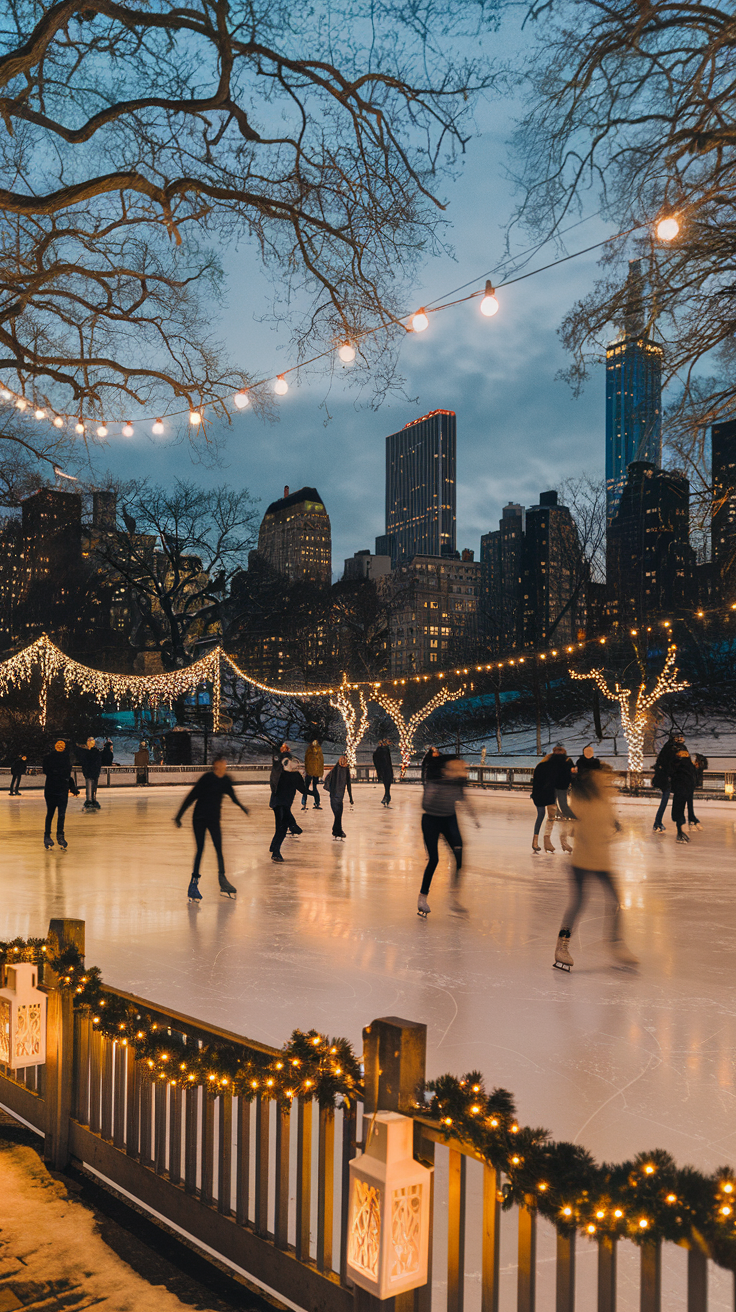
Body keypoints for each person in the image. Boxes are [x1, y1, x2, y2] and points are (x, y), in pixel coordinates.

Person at [553, 767, 637, 971]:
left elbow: (608, 816)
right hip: (582, 861)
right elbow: (565, 817)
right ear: (592, 782)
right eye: (601, 779)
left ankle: (616, 943)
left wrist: (616, 825)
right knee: (578, 904)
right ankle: (561, 946)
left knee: (616, 902)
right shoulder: (580, 801)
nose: (607, 782)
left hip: (602, 861)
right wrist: (566, 834)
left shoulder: (604, 798)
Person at [174, 755, 249, 900]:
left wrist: (242, 807)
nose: (223, 766)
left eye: (225, 764)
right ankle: (193, 884)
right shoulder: (207, 778)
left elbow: (233, 797)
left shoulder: (226, 781)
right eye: (221, 764)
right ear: (216, 765)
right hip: (199, 819)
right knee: (200, 849)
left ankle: (223, 881)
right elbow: (191, 796)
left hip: (214, 819)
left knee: (219, 849)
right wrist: (179, 816)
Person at [417, 756, 479, 918]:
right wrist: (438, 793)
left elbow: (464, 799)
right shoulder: (436, 782)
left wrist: (474, 816)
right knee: (434, 859)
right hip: (431, 820)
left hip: (449, 819)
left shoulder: (457, 783)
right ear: (446, 770)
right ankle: (422, 897)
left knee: (459, 855)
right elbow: (425, 804)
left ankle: (454, 897)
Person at [42, 740, 79, 850]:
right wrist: (58, 774)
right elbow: (47, 771)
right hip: (51, 789)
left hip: (62, 790)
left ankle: (60, 836)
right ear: (54, 746)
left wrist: (72, 787)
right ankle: (47, 835)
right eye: (58, 744)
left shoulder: (67, 758)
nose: (60, 746)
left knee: (61, 815)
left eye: (62, 745)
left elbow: (67, 775)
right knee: (50, 813)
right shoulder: (48, 758)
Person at [270, 757, 307, 862]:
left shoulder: (278, 773)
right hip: (282, 804)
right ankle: (275, 851)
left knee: (280, 827)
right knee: (282, 828)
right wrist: (313, 793)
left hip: (278, 804)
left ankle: (274, 848)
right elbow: (302, 789)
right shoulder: (294, 775)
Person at [651, 732, 684, 832]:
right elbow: (669, 764)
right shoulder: (670, 749)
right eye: (678, 738)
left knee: (665, 800)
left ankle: (658, 822)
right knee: (664, 800)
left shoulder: (669, 747)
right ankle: (657, 822)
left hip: (665, 778)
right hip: (665, 779)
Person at [549, 744, 576, 850]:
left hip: (554, 785)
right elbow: (572, 772)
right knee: (562, 803)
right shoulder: (567, 760)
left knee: (554, 802)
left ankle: (559, 813)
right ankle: (570, 815)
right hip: (562, 785)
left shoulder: (551, 760)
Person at [271, 743, 302, 835]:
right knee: (285, 808)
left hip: (280, 787)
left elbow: (276, 773)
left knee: (283, 808)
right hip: (285, 788)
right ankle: (292, 826)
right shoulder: (287, 759)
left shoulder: (280, 759)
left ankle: (291, 826)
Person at [531, 753, 558, 853]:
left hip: (539, 795)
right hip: (545, 795)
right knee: (548, 816)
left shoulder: (540, 766)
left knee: (541, 815)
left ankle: (535, 841)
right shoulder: (550, 769)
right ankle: (544, 841)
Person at [671, 748, 699, 841]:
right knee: (681, 811)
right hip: (687, 790)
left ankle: (680, 832)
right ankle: (681, 832)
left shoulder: (678, 765)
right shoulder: (689, 766)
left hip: (680, 790)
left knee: (678, 811)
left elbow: (673, 776)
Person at [323, 755, 353, 838]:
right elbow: (348, 784)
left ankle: (337, 830)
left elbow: (327, 780)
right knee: (338, 815)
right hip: (338, 796)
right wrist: (350, 797)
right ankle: (337, 830)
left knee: (338, 815)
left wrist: (330, 790)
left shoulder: (336, 770)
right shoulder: (343, 770)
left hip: (335, 796)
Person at [77, 736, 102, 809]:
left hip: (89, 772)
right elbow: (98, 763)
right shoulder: (97, 753)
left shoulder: (86, 753)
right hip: (94, 772)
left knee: (90, 786)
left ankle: (90, 800)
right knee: (93, 786)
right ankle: (92, 800)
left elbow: (84, 762)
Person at [303, 739, 324, 810]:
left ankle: (304, 803)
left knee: (306, 788)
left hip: (309, 772)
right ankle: (316, 803)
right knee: (314, 787)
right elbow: (321, 762)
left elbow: (306, 760)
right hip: (315, 773)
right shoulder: (319, 750)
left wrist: (306, 770)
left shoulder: (309, 750)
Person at [373, 739, 394, 805]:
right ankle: (387, 796)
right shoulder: (384, 751)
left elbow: (376, 759)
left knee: (386, 783)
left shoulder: (381, 751)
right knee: (387, 783)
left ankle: (387, 796)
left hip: (384, 769)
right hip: (386, 769)